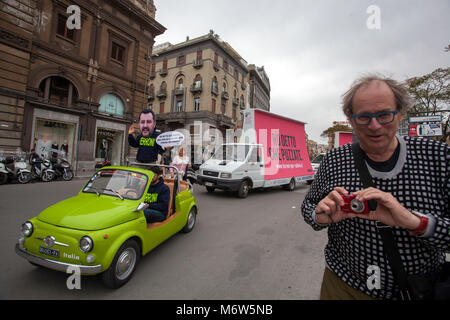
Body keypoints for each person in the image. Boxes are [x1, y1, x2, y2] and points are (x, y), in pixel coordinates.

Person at [301, 74, 449, 300]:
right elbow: (309, 206)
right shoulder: (334, 160)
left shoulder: (438, 157)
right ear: (351, 119)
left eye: (384, 115)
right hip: (344, 285)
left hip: (419, 290)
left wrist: (413, 221)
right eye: (364, 117)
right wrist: (320, 216)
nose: (374, 126)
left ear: (400, 114)